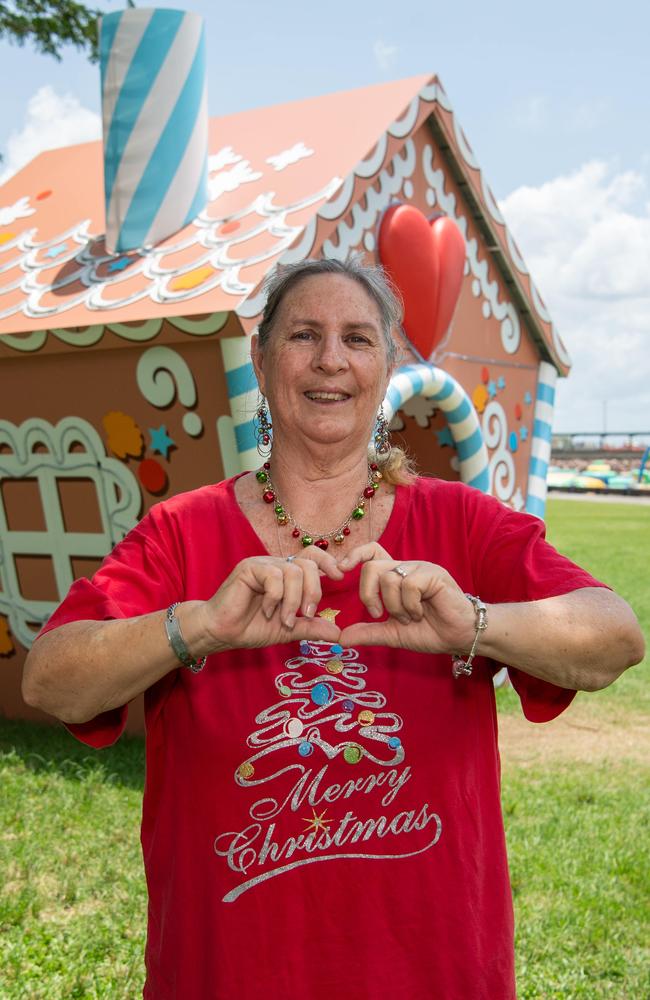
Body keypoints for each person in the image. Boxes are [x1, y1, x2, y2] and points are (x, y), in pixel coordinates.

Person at [22, 257, 644, 1000]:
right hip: (231, 974)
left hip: (432, 971)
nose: (330, 360)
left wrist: (474, 625)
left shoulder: (462, 524)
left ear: (386, 366)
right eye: (303, 335)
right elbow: (50, 680)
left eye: (356, 338)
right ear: (260, 358)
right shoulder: (181, 534)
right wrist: (200, 627)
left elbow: (615, 635)